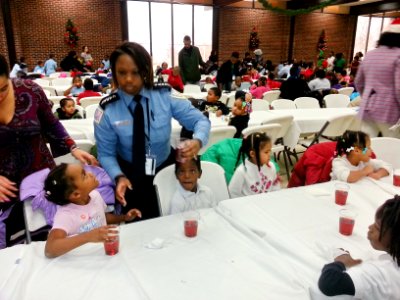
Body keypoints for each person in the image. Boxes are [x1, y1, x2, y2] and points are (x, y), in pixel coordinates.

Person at [94, 42, 210, 220]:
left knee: (173, 217)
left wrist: (198, 140)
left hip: (166, 167)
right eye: (122, 73)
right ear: (114, 74)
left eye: (135, 72)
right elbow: (106, 153)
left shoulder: (164, 95)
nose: (129, 79)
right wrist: (118, 176)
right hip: (130, 174)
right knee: (140, 223)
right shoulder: (107, 110)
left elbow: (200, 120)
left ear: (146, 70)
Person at [0, 54, 97, 248]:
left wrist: (73, 147)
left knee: (51, 232)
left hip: (40, 175)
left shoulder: (29, 90)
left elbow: (51, 124)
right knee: (12, 244)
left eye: (3, 88)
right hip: (4, 186)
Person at [44, 163, 141, 258]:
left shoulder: (95, 195)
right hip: (84, 260)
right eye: (84, 175)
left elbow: (102, 217)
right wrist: (88, 237)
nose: (90, 174)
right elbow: (50, 249)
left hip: (103, 254)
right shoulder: (65, 215)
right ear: (76, 194)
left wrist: (124, 217)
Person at [318, 196, 400, 299]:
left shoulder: (382, 272)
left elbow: (329, 283)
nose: (370, 227)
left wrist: (340, 261)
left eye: (378, 227)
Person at [355, 17, 400, 138]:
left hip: (367, 108)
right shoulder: (398, 55)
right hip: (389, 110)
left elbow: (358, 82)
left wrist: (368, 96)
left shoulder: (370, 54)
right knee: (390, 145)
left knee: (366, 145)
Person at [229, 132, 280, 198]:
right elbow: (233, 192)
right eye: (266, 152)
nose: (269, 154)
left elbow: (275, 187)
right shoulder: (242, 171)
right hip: (249, 205)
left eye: (270, 151)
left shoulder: (271, 166)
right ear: (252, 154)